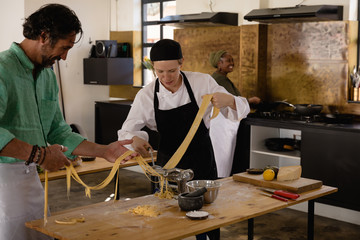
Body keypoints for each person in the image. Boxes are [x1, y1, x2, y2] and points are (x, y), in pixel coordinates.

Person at [0, 4, 136, 240]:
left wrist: (105, 151)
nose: (64, 57)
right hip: (3, 180)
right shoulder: (3, 69)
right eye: (64, 48)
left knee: (39, 233)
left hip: (30, 176)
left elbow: (58, 131)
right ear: (43, 36)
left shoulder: (46, 75)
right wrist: (40, 155)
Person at [118, 39, 250, 240]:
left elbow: (242, 108)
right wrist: (135, 139)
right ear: (153, 67)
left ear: (182, 62)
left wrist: (230, 100)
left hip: (202, 163)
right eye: (159, 71)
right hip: (169, 167)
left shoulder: (202, 82)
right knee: (170, 222)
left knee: (209, 219)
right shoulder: (146, 94)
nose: (166, 77)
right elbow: (127, 129)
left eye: (171, 70)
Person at [209, 50, 261, 177]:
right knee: (223, 162)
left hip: (226, 126)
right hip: (224, 126)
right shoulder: (219, 81)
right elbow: (230, 101)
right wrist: (249, 101)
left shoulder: (221, 78)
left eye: (232, 60)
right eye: (228, 61)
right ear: (219, 63)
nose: (232, 63)